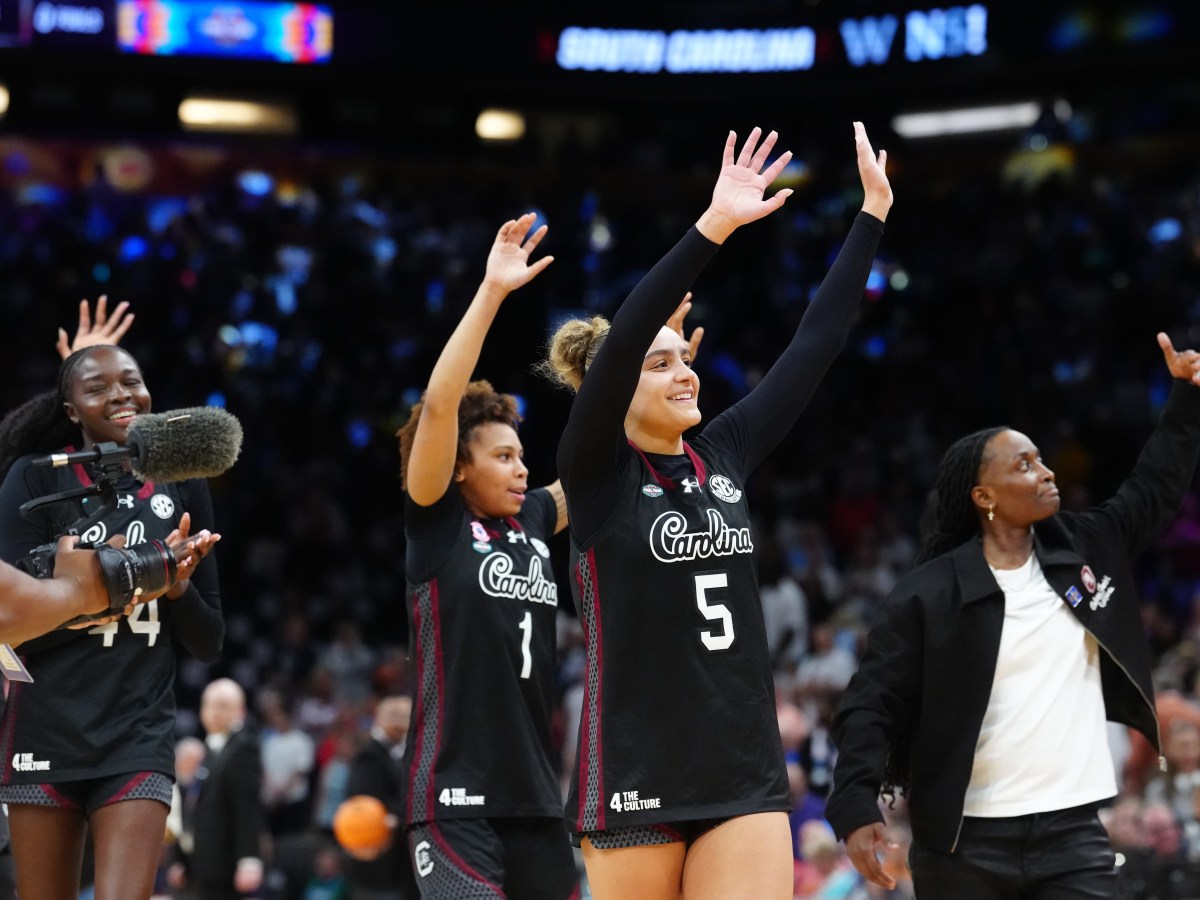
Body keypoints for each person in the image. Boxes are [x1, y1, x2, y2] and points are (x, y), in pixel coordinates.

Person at [542, 123, 891, 900]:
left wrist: (872, 214)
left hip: (741, 764)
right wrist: (716, 225)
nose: (684, 373)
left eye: (685, 359)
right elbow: (630, 326)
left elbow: (816, 344)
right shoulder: (595, 471)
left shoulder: (724, 452)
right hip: (632, 767)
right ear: (616, 386)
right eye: (659, 364)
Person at [825, 333, 1200, 897]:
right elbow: (871, 701)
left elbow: (1154, 489)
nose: (1046, 471)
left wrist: (1187, 397)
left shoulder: (1085, 546)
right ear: (984, 497)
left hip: (1075, 834)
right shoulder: (928, 593)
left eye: (1041, 459)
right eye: (1025, 465)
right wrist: (855, 801)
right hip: (961, 845)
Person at [395, 212, 579, 898]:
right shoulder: (436, 525)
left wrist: (641, 367)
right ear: (460, 469)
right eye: (503, 457)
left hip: (535, 801)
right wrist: (492, 294)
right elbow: (441, 407)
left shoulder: (532, 517)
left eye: (523, 456)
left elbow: (595, 471)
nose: (521, 469)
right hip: (452, 801)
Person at [0, 341, 224, 900]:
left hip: (136, 732)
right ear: (70, 410)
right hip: (43, 726)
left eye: (131, 380)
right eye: (97, 387)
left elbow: (209, 640)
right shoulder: (34, 480)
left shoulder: (184, 481)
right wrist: (103, 586)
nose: (122, 394)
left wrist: (174, 587)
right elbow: (8, 621)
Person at [190, 678, 265, 900]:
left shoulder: (243, 747)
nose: (214, 712)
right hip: (204, 864)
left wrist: (249, 860)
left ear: (240, 711)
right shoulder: (210, 747)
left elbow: (248, 806)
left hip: (227, 865)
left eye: (223, 705)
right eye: (209, 704)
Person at [345, 695, 418, 900]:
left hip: (397, 860)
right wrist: (411, 810)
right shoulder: (369, 755)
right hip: (378, 860)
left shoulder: (393, 752)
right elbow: (366, 803)